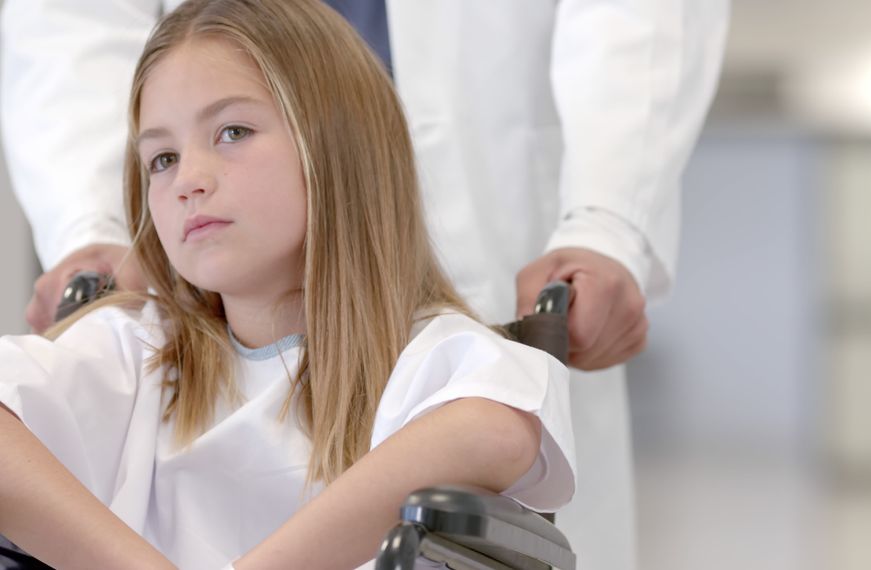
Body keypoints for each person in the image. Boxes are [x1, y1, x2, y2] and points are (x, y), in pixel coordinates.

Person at [2, 1, 728, 566]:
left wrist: (608, 218)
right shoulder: (131, 354)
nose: (188, 178)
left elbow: (494, 430)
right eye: (159, 159)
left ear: (338, 148)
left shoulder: (436, 361)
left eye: (232, 134)